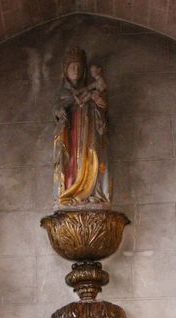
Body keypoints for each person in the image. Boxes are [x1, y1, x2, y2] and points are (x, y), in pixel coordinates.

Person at [54, 48, 111, 208]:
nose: (76, 70)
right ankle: (71, 191)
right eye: (72, 67)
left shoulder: (91, 90)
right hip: (71, 134)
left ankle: (90, 192)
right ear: (66, 70)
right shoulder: (62, 92)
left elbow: (103, 111)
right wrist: (59, 112)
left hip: (88, 133)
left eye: (79, 67)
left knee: (90, 157)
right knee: (71, 161)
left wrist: (98, 101)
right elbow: (58, 109)